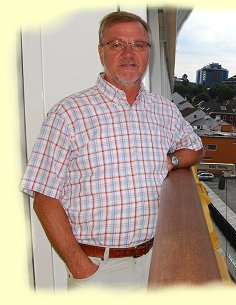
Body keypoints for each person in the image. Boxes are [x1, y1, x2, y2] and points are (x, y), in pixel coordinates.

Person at [20, 11, 203, 289]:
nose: (129, 53)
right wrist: (81, 268)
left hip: (156, 259)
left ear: (148, 52)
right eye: (117, 44)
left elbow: (195, 148)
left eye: (138, 45)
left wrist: (172, 160)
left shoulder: (162, 109)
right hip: (99, 271)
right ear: (101, 52)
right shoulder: (68, 113)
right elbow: (44, 197)